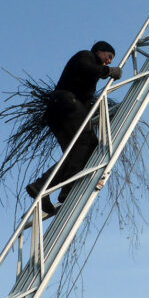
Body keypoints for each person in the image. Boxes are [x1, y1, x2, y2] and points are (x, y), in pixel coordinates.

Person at [25, 40, 122, 217]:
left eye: (111, 60)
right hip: (66, 103)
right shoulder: (85, 56)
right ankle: (67, 188)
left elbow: (86, 99)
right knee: (88, 143)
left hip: (61, 110)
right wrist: (108, 72)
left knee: (76, 152)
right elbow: (87, 68)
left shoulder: (89, 76)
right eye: (108, 57)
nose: (109, 61)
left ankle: (43, 187)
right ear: (100, 51)